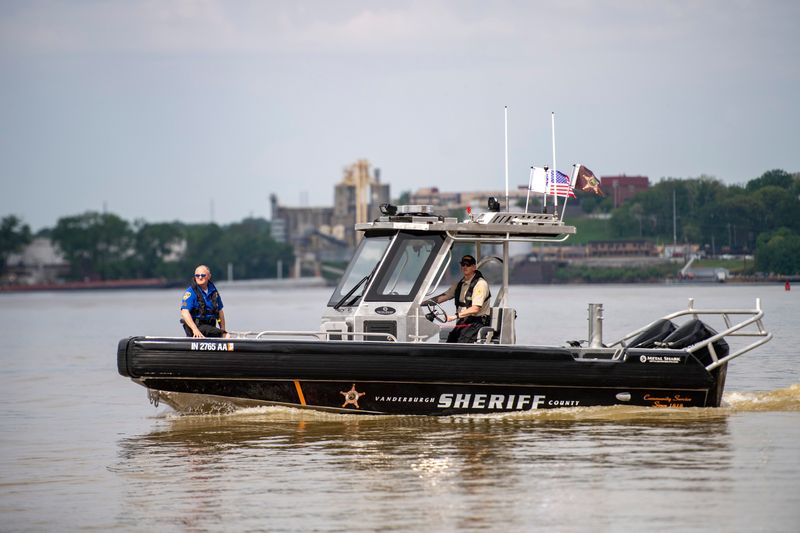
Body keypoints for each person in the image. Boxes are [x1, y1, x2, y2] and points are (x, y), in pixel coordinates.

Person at [431, 254, 491, 343]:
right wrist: (424, 302)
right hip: (464, 322)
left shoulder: (480, 284)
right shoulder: (460, 284)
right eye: (463, 264)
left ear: (474, 267)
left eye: (468, 264)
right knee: (450, 341)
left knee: (461, 342)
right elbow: (444, 296)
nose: (465, 266)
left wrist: (454, 316)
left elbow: (475, 308)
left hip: (477, 323)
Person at [180, 265, 229, 338]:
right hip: (197, 326)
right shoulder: (190, 292)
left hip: (210, 327)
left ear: (209, 276)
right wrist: (195, 330)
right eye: (197, 275)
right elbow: (184, 312)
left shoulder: (214, 292)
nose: (200, 277)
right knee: (226, 335)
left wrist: (222, 329)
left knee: (223, 333)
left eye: (203, 275)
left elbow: (220, 311)